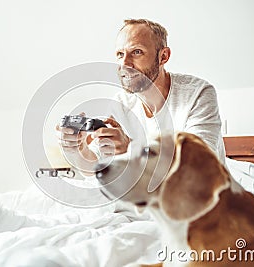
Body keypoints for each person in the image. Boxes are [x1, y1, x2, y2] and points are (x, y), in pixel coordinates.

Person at [57, 18, 226, 174]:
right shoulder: (121, 103)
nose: (125, 64)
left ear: (163, 56)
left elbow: (202, 165)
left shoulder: (198, 94)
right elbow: (95, 167)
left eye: (137, 52)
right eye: (120, 54)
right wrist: (77, 149)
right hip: (146, 201)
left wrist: (130, 149)